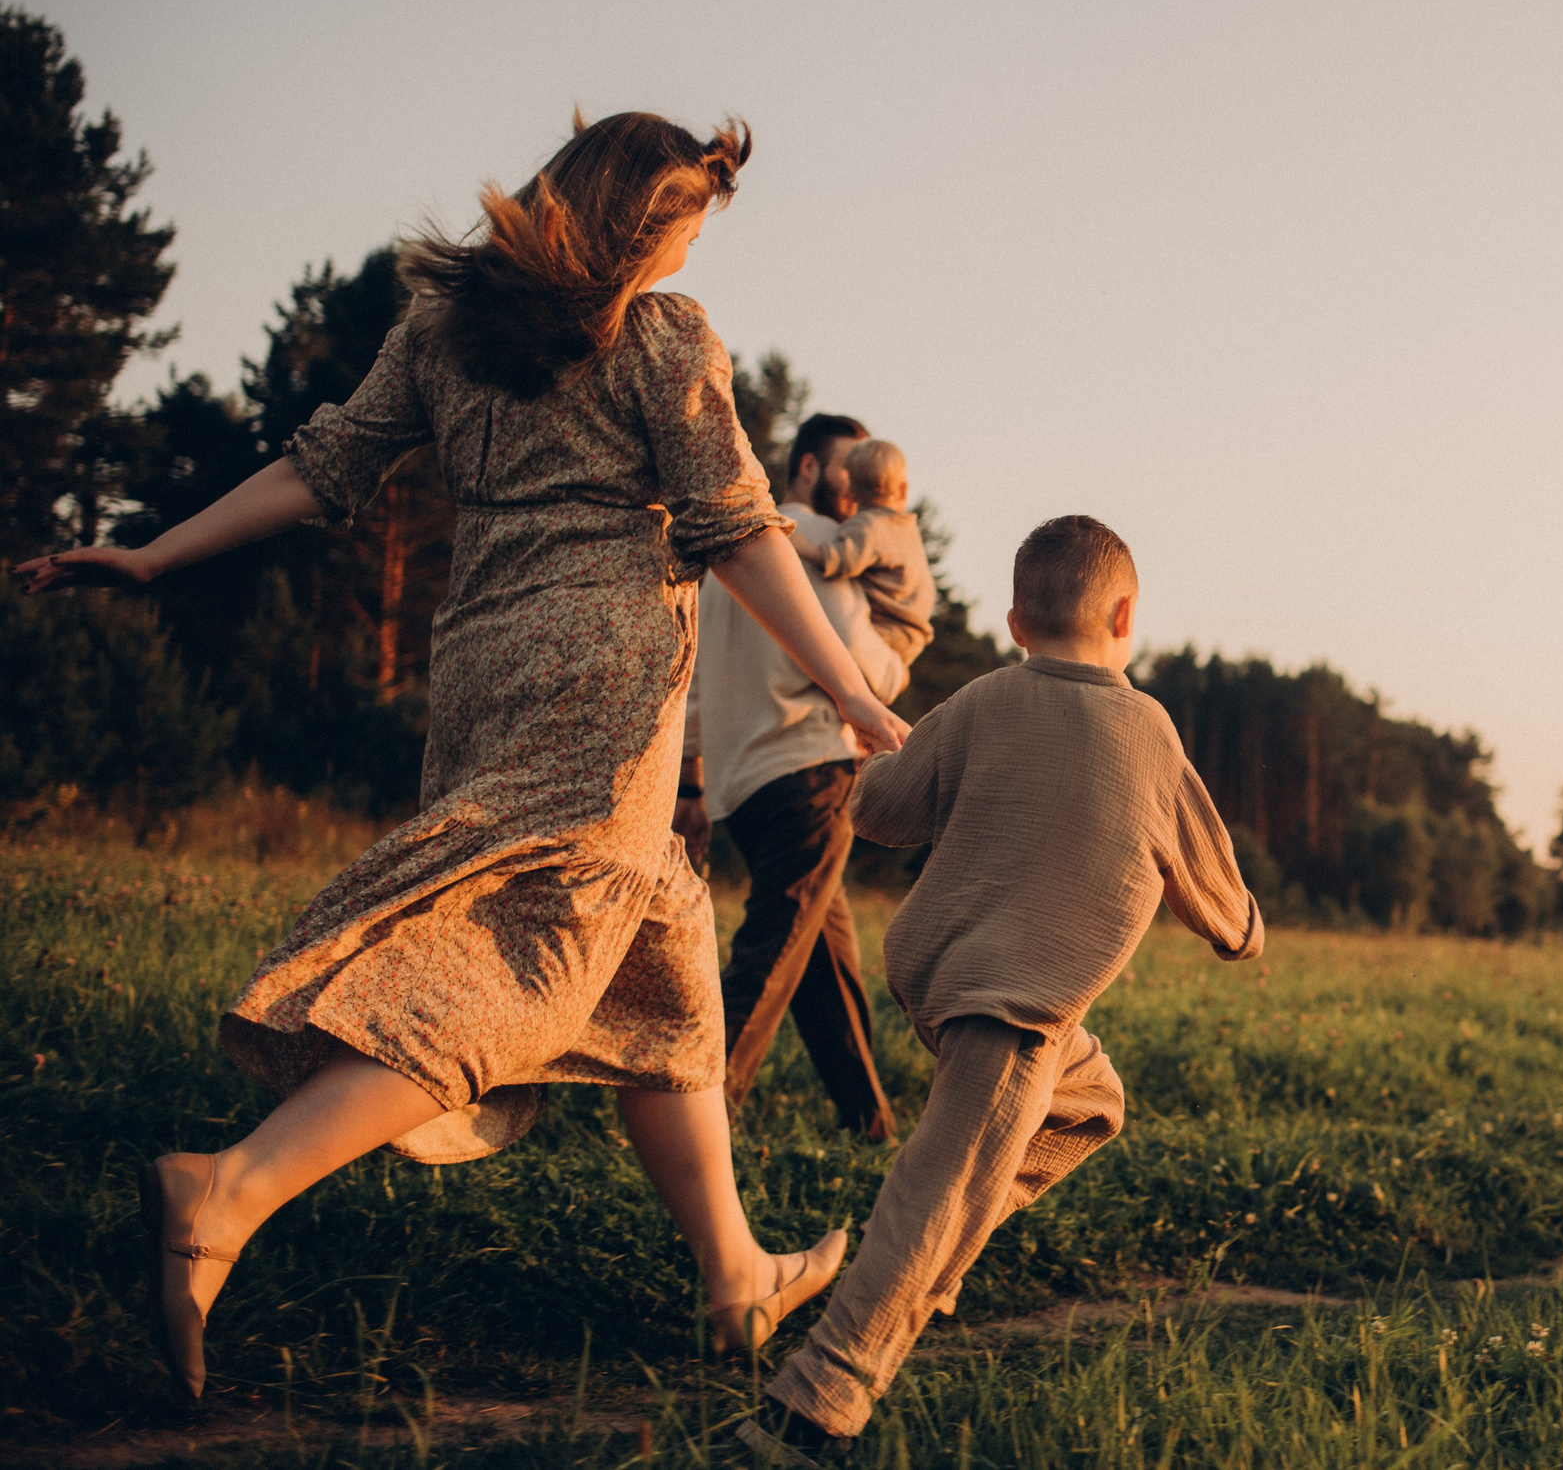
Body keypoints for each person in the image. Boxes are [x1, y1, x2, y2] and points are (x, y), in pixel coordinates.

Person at [13, 111, 908, 1396]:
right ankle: (229, 1190)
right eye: (684, 228)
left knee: (654, 940)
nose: (687, 254)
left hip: (484, 667)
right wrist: (853, 694)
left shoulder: (442, 329)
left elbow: (317, 469)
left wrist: (155, 552)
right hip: (603, 690)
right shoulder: (664, 337)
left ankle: (732, 1269)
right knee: (535, 962)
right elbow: (737, 530)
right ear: (635, 222)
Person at [739, 514, 1264, 1457]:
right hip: (1017, 1010)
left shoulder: (981, 700)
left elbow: (882, 812)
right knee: (932, 1189)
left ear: (1017, 620)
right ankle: (813, 1405)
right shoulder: (1149, 729)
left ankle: (930, 1255)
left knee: (1094, 1103)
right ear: (1127, 614)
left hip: (944, 981)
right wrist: (1244, 927)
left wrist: (881, 755)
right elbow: (1210, 879)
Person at [677, 416, 916, 1141]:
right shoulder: (811, 545)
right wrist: (904, 648)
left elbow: (690, 684)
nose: (861, 492)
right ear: (808, 468)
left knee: (822, 954)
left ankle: (867, 1123)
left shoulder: (731, 557)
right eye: (849, 472)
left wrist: (690, 786)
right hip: (810, 767)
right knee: (774, 947)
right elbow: (864, 665)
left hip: (738, 785)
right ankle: (702, 1115)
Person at [786, 437, 934, 700]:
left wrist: (805, 548)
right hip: (914, 630)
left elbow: (841, 561)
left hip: (890, 630)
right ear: (903, 491)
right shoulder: (907, 528)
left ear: (852, 492)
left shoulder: (864, 528)